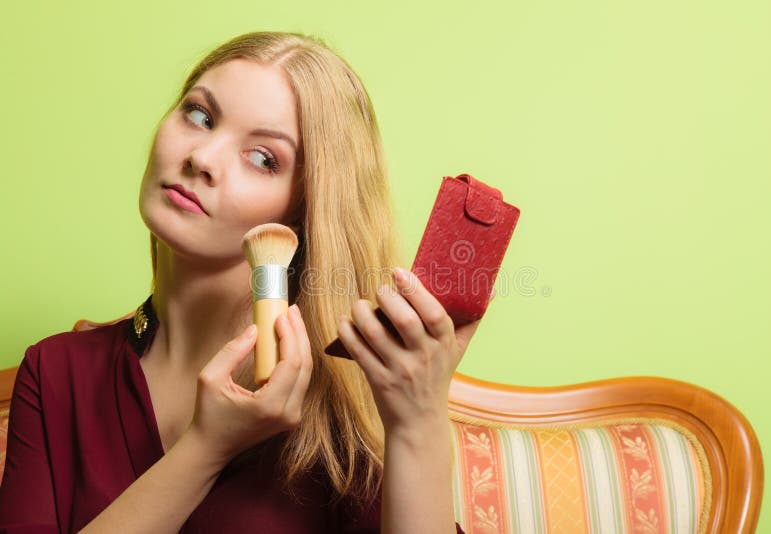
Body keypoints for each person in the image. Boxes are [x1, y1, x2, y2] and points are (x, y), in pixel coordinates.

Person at [0, 31, 484, 533]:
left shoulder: (345, 404)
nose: (202, 158)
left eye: (263, 158)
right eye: (200, 116)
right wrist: (207, 447)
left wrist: (419, 424)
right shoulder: (55, 372)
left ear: (301, 213)